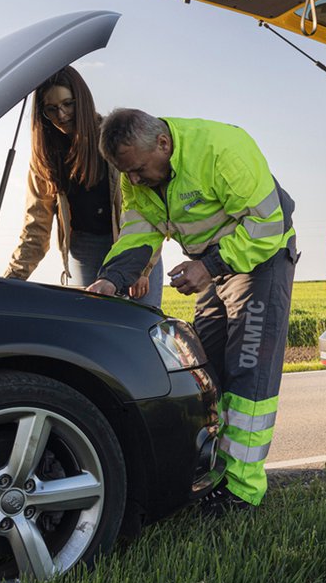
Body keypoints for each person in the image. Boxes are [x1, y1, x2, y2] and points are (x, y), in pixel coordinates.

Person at [90, 109, 297, 515]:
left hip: (261, 260)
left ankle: (242, 491)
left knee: (247, 374)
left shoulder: (223, 149)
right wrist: (111, 279)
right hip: (212, 266)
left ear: (163, 145)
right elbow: (140, 230)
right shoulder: (136, 167)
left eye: (137, 170)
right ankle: (211, 476)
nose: (133, 181)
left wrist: (210, 267)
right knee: (206, 374)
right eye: (125, 173)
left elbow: (267, 225)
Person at [3, 67, 161, 304]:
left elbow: (148, 208)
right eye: (51, 109)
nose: (62, 114)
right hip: (84, 251)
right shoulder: (44, 159)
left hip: (131, 242)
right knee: (95, 325)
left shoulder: (114, 137)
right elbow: (35, 227)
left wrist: (144, 267)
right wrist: (11, 280)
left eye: (68, 104)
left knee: (140, 325)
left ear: (82, 100)